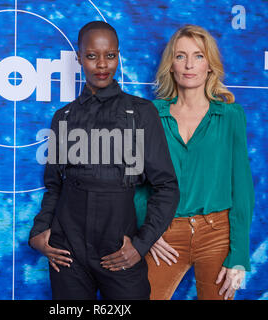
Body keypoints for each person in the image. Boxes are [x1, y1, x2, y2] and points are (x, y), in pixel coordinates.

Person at [28, 21, 179, 300]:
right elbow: (54, 186)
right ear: (79, 58)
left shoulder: (142, 113)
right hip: (68, 253)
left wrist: (141, 245)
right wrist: (39, 231)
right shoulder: (64, 117)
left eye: (110, 55)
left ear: (118, 56)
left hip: (118, 250)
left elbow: (167, 187)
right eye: (91, 56)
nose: (101, 64)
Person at [136, 24, 255, 300]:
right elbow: (138, 183)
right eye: (180, 56)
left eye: (198, 56)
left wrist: (239, 256)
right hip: (165, 233)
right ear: (171, 65)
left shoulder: (231, 116)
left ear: (210, 66)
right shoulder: (150, 114)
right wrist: (148, 231)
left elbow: (242, 188)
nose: (189, 64)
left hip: (217, 235)